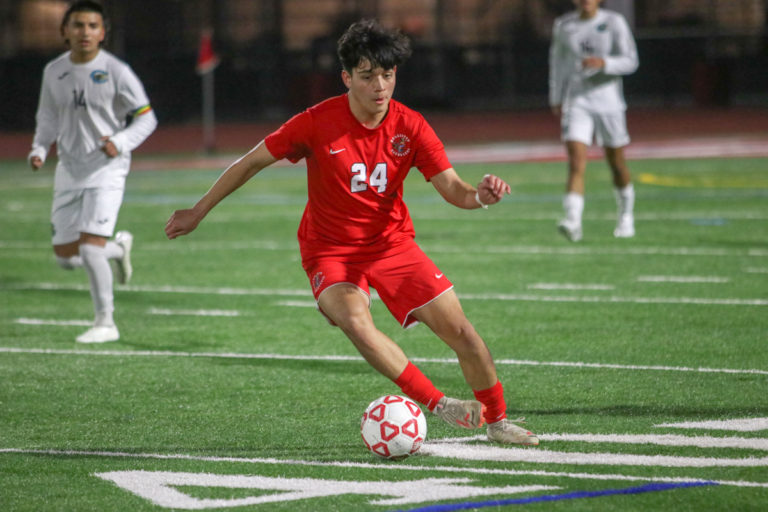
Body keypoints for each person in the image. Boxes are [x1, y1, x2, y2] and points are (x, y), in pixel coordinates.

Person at [165, 19, 538, 446]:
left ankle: (498, 422)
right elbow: (251, 161)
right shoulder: (316, 122)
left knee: (463, 333)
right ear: (346, 77)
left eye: (388, 75)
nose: (380, 86)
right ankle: (440, 405)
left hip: (392, 244)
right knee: (356, 323)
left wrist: (482, 196)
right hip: (330, 250)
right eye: (368, 76)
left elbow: (454, 189)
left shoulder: (411, 125)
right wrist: (198, 210)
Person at [28, 0, 157, 343]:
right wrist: (40, 148)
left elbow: (147, 117)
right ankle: (118, 249)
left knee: (88, 249)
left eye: (92, 26)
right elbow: (48, 118)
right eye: (78, 25)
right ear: (64, 31)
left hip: (107, 169)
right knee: (66, 257)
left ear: (103, 33)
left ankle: (106, 323)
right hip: (69, 170)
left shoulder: (116, 71)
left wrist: (121, 140)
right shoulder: (53, 71)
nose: (85, 32)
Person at [549, 0, 639, 242]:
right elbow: (557, 63)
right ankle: (572, 221)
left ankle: (625, 216)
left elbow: (631, 60)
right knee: (576, 162)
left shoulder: (613, 22)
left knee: (616, 163)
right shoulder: (564, 25)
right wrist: (556, 96)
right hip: (577, 101)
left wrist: (605, 63)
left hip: (609, 103)